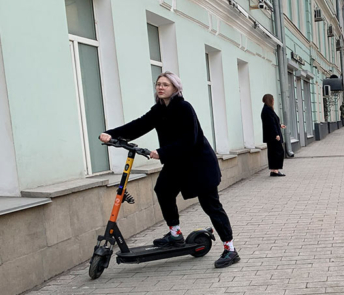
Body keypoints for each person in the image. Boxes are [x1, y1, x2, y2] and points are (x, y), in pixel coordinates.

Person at [99, 72, 240, 269]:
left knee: (211, 206)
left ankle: (230, 249)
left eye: (166, 84)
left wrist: (162, 152)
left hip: (199, 164)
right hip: (177, 163)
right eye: (158, 84)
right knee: (163, 190)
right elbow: (139, 125)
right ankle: (175, 234)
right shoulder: (159, 110)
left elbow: (189, 140)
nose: (161, 87)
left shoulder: (184, 108)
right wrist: (111, 134)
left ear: (175, 88)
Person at [262, 94, 286, 177]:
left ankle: (273, 170)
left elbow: (273, 122)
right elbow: (271, 124)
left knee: (272, 152)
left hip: (270, 136)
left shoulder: (266, 109)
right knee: (278, 152)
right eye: (273, 99)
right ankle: (275, 170)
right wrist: (276, 134)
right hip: (273, 136)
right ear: (270, 100)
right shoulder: (268, 110)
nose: (273, 101)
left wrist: (279, 125)